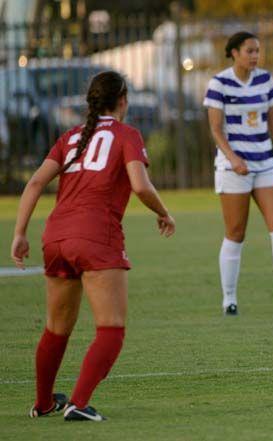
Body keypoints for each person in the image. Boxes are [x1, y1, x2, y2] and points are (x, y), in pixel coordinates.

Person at [11, 71, 175, 421]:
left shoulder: (70, 137)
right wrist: (164, 213)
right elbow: (141, 186)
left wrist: (19, 233)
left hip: (55, 236)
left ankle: (43, 404)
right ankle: (79, 403)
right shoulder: (126, 134)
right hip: (96, 235)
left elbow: (36, 182)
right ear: (123, 100)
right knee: (111, 328)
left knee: (56, 328)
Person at [203, 31, 273, 315]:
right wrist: (233, 158)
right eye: (249, 51)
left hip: (265, 164)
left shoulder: (265, 80)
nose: (255, 56)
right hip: (233, 168)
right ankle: (229, 301)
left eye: (257, 51)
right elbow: (216, 129)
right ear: (234, 53)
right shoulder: (219, 83)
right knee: (236, 233)